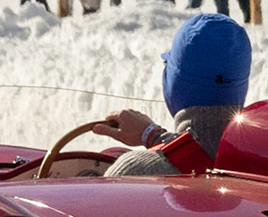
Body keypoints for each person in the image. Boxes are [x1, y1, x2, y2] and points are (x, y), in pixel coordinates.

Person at [95, 12, 251, 177]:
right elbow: (207, 147)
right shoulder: (266, 161)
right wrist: (154, 136)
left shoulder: (134, 172)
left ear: (177, 82)